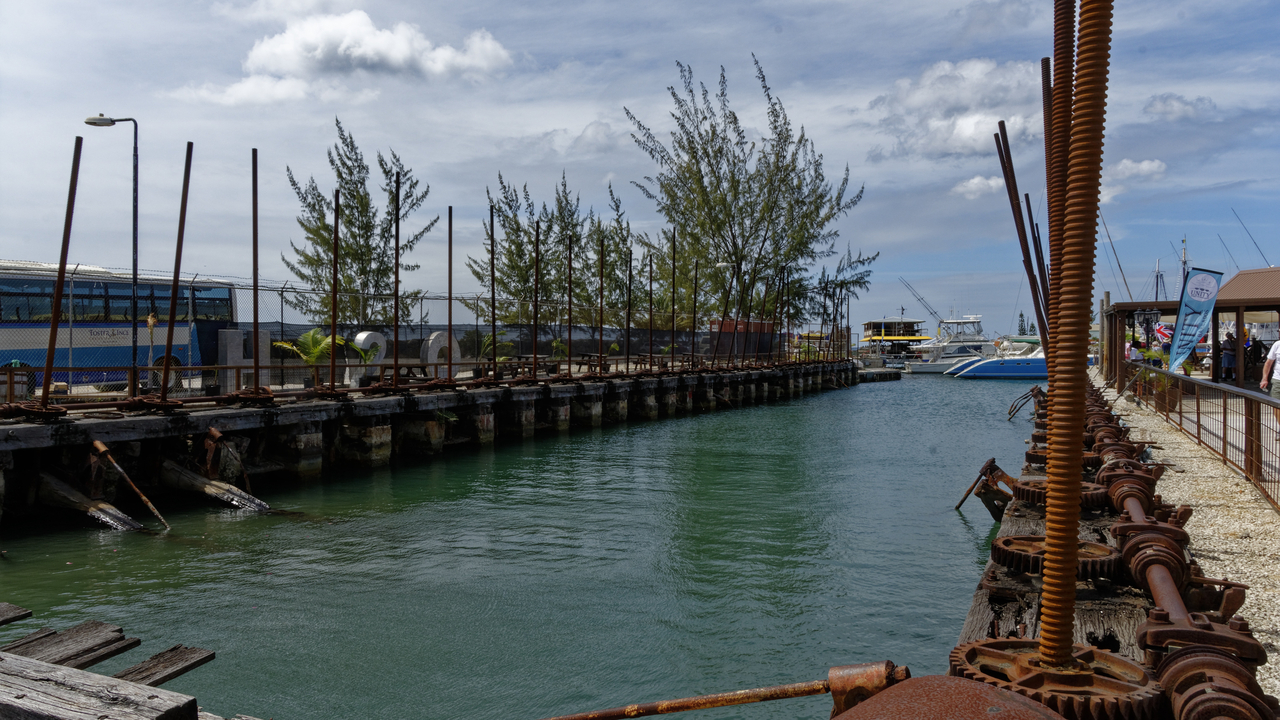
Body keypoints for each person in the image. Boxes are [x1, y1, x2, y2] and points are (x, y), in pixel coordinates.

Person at [1261, 339, 1280, 439]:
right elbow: (1268, 363)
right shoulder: (1277, 344)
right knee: (1276, 405)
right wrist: (1264, 379)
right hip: (1278, 379)